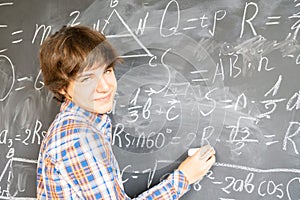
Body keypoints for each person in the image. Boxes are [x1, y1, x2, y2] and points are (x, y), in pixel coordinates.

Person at [36, 25, 216, 199]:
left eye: (106, 71)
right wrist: (184, 177)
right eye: (87, 79)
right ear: (62, 88)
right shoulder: (76, 138)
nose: (105, 87)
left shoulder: (83, 126)